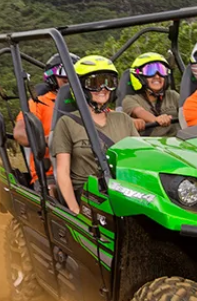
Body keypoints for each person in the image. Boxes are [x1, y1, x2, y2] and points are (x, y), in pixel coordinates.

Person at [50, 55, 138, 214]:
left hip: (122, 191)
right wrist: (74, 209)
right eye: (95, 83)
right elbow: (62, 171)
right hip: (87, 196)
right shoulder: (67, 123)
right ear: (80, 87)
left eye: (109, 82)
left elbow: (139, 161)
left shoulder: (124, 120)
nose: (103, 88)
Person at [13, 52, 79, 192]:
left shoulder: (86, 101)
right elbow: (19, 133)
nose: (69, 77)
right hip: (50, 172)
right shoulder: (39, 103)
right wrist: (47, 140)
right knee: (54, 190)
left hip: (85, 166)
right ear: (52, 76)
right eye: (64, 71)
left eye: (74, 71)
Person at [122, 52, 179, 136]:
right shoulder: (130, 100)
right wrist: (156, 119)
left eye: (161, 70)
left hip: (178, 143)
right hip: (149, 146)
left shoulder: (172, 95)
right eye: (150, 71)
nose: (157, 76)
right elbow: (139, 111)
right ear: (139, 76)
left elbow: (187, 109)